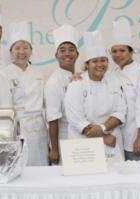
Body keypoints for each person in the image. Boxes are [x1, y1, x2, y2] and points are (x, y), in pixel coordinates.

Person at [65, 30, 126, 161]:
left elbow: (121, 111)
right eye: (95, 61)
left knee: (114, 179)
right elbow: (76, 119)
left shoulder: (113, 81)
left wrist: (103, 128)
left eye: (103, 60)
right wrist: (103, 137)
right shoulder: (77, 84)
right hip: (84, 143)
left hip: (111, 139)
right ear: (87, 64)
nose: (100, 65)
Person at [0, 21, 48, 166]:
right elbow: (5, 108)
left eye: (26, 47)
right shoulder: (3, 75)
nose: (22, 52)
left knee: (41, 168)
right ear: (11, 52)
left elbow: (45, 103)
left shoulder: (39, 73)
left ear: (31, 51)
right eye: (17, 48)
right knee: (22, 168)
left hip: (39, 128)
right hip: (19, 129)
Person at [110, 19, 140, 161]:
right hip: (121, 137)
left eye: (122, 50)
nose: (118, 55)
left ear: (131, 52)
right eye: (114, 51)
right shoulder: (113, 73)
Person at [44, 24, 79, 164]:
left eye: (71, 50)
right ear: (56, 55)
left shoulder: (80, 77)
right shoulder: (54, 82)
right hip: (63, 136)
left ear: (77, 54)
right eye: (62, 50)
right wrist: (54, 149)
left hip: (81, 136)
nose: (67, 54)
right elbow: (53, 118)